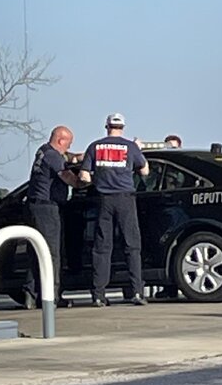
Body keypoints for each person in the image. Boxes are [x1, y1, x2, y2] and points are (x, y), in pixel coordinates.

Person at [80, 112, 150, 307]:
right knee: (132, 246)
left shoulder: (95, 146)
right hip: (125, 199)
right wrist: (138, 150)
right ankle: (136, 292)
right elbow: (144, 171)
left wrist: (99, 181)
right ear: (123, 127)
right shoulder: (130, 147)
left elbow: (84, 176)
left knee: (102, 248)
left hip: (104, 200)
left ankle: (99, 295)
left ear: (106, 126)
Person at [23, 125, 81, 309]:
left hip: (34, 206)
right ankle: (52, 296)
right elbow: (67, 177)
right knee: (51, 253)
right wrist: (83, 182)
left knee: (36, 251)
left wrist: (79, 157)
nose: (68, 147)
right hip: (47, 209)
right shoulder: (54, 157)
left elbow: (68, 157)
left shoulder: (43, 151)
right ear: (60, 140)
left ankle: (31, 294)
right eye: (68, 144)